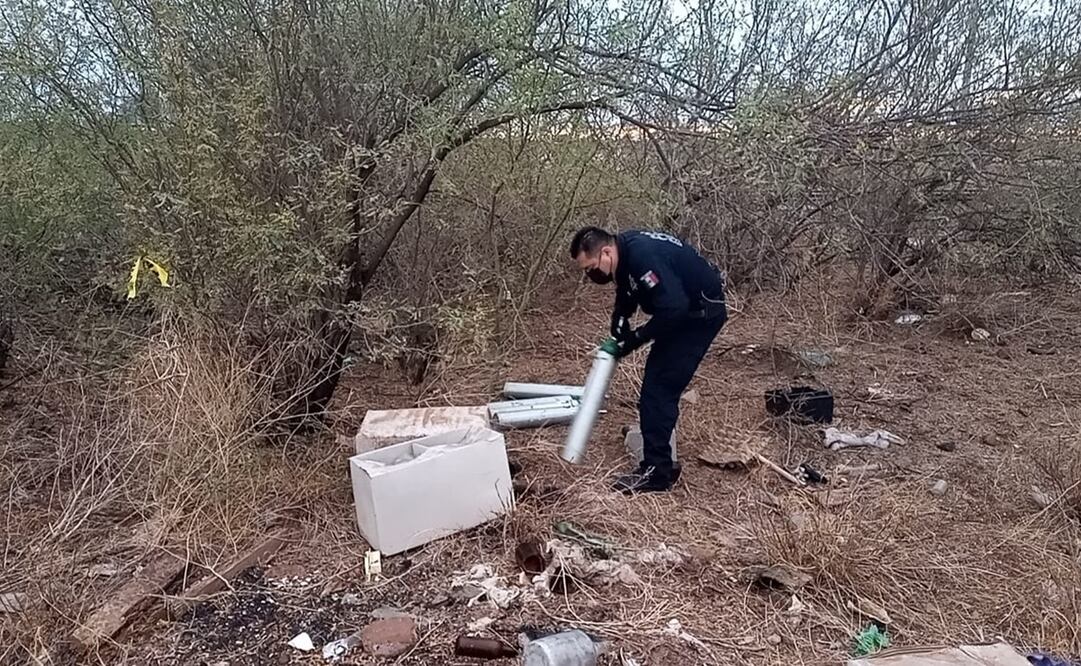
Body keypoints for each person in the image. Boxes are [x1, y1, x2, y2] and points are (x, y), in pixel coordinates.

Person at [570, 226, 727, 494]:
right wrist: (620, 317)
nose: (590, 275)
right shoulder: (627, 249)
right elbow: (629, 285)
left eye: (591, 267)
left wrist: (634, 339)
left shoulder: (643, 255)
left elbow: (673, 308)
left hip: (698, 317)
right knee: (656, 386)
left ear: (606, 252)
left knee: (658, 390)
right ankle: (662, 462)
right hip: (685, 312)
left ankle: (657, 473)